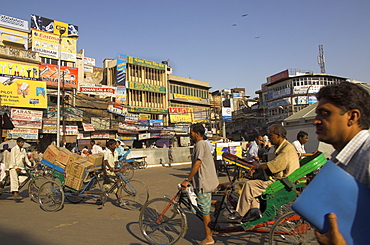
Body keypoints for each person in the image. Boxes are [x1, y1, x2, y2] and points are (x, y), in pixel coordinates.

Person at [313, 82, 370, 244]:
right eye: (317, 114)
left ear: (352, 117)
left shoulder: (367, 156)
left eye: (325, 113)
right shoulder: (339, 159)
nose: (316, 121)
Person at [236, 124, 299, 222]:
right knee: (252, 185)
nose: (269, 139)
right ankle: (255, 210)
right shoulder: (281, 147)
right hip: (279, 180)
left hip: (282, 183)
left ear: (278, 135)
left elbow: (275, 165)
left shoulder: (287, 149)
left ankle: (240, 214)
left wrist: (257, 166)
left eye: (271, 136)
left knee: (250, 186)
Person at [181, 123, 219, 245]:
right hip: (205, 180)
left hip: (204, 182)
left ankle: (209, 238)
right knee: (201, 202)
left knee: (204, 211)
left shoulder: (200, 144)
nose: (190, 134)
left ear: (197, 134)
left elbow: (197, 163)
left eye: (191, 132)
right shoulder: (202, 144)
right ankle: (216, 203)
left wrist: (188, 179)